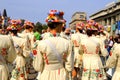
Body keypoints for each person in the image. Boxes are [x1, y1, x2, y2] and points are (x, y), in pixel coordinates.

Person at [33, 10, 73, 80]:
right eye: (61, 24)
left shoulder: (41, 43)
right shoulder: (67, 42)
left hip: (46, 74)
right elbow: (70, 66)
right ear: (59, 25)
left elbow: (38, 67)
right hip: (61, 74)